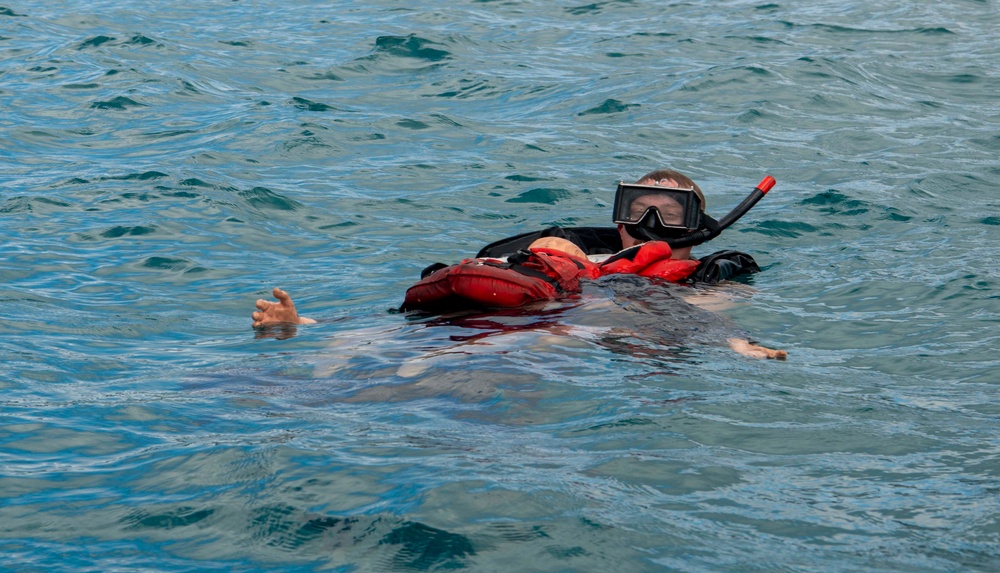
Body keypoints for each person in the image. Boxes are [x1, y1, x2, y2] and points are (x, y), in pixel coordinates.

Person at [252, 169, 787, 359]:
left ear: (699, 225)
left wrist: (735, 342)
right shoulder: (565, 254)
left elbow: (709, 313)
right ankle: (307, 329)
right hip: (508, 318)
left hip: (566, 336)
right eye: (636, 207)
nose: (647, 221)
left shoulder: (702, 276)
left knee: (488, 360)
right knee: (375, 345)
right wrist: (310, 323)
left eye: (670, 214)